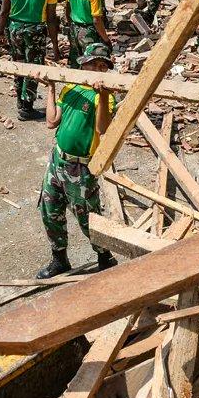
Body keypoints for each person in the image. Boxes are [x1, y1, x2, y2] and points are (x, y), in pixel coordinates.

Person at [36, 43, 120, 278]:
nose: (97, 69)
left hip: (80, 167)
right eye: (94, 63)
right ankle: (59, 259)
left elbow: (103, 128)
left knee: (87, 217)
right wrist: (51, 88)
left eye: (103, 66)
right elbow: (52, 121)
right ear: (83, 64)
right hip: (58, 160)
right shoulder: (70, 88)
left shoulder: (105, 96)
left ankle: (105, 257)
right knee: (50, 209)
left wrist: (103, 96)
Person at [0, 0, 60, 120]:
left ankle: (21, 101)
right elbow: (51, 20)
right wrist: (55, 46)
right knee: (34, 67)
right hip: (35, 31)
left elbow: (4, 12)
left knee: (19, 65)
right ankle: (27, 108)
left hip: (15, 29)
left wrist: (0, 33)